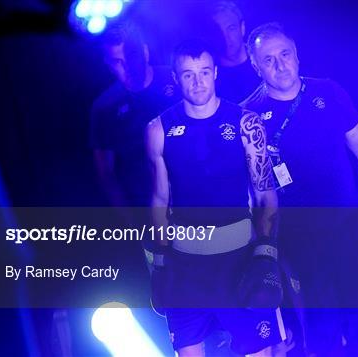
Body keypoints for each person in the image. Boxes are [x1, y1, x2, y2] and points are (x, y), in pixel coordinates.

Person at [242, 22, 358, 356]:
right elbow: (252, 186)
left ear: (297, 55)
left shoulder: (327, 92)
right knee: (319, 317)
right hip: (297, 237)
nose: (280, 64)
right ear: (256, 66)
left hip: (348, 223)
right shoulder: (251, 116)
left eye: (285, 54)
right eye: (268, 59)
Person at [145, 39, 286, 356]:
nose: (198, 82)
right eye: (189, 74)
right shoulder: (158, 129)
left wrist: (266, 252)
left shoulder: (245, 123)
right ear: (175, 78)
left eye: (204, 72)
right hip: (184, 266)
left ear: (215, 73)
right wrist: (160, 261)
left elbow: (266, 194)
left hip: (239, 259)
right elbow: (158, 200)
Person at [90, 22, 178, 207]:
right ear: (108, 64)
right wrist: (130, 224)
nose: (127, 67)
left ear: (145, 52)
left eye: (131, 57)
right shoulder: (104, 108)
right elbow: (106, 174)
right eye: (117, 61)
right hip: (147, 206)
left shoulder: (175, 77)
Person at [210, 1, 262, 104]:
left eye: (231, 28)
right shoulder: (209, 77)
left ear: (242, 28)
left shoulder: (264, 60)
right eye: (218, 31)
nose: (225, 37)